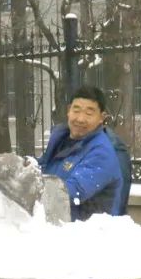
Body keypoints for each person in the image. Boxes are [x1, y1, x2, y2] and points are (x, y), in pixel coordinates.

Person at [38, 85, 125, 221]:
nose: (80, 119)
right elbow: (41, 169)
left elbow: (69, 193)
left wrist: (27, 189)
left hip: (87, 236)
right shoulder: (60, 141)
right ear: (68, 111)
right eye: (76, 110)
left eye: (89, 113)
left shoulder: (101, 153)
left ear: (102, 117)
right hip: (56, 228)